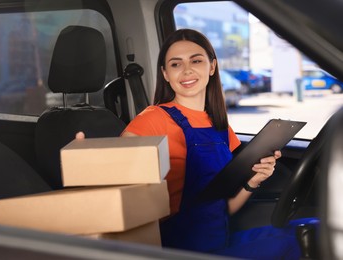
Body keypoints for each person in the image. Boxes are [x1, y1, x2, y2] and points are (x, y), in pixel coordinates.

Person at [76, 29, 316, 259]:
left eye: (196, 61)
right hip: (179, 250)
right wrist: (90, 163)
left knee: (314, 228)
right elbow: (114, 181)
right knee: (300, 243)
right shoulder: (153, 120)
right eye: (176, 64)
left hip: (218, 240)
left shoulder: (220, 127)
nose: (187, 71)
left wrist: (252, 183)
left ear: (212, 67)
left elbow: (222, 208)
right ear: (165, 74)